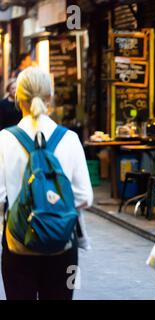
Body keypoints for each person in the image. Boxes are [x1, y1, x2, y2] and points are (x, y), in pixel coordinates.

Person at [0, 67, 93, 300]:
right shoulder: (70, 139)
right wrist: (53, 204)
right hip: (62, 244)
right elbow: (84, 197)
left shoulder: (4, 140)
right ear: (50, 98)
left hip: (17, 245)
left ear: (17, 98)